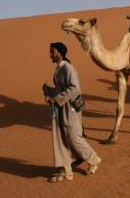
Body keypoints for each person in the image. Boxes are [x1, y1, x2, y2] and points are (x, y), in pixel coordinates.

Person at [42, 42, 101, 183]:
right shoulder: (59, 69)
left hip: (71, 109)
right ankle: (67, 166)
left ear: (60, 53)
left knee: (74, 137)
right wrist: (49, 90)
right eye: (50, 52)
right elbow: (61, 89)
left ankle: (93, 159)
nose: (50, 54)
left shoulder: (68, 68)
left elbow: (74, 88)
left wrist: (56, 99)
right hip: (63, 108)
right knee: (68, 137)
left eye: (53, 52)